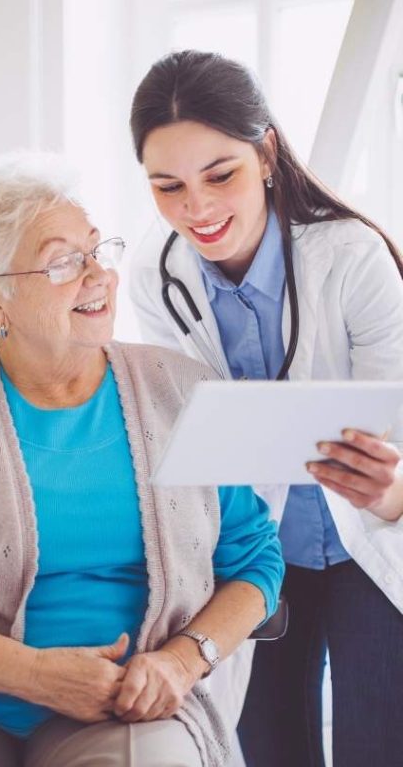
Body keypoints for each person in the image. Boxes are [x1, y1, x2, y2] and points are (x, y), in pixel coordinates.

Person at [0, 153, 284, 767]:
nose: (97, 275)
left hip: (128, 705)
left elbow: (254, 560)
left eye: (97, 250)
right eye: (64, 261)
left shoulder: (184, 391)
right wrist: (32, 673)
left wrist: (181, 660)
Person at [128, 50, 403, 767]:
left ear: (267, 153)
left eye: (221, 175)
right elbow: (185, 425)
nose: (199, 209)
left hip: (367, 549)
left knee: (380, 744)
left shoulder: (352, 257)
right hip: (255, 556)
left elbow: (399, 420)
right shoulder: (158, 275)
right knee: (268, 749)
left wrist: (394, 489)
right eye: (169, 187)